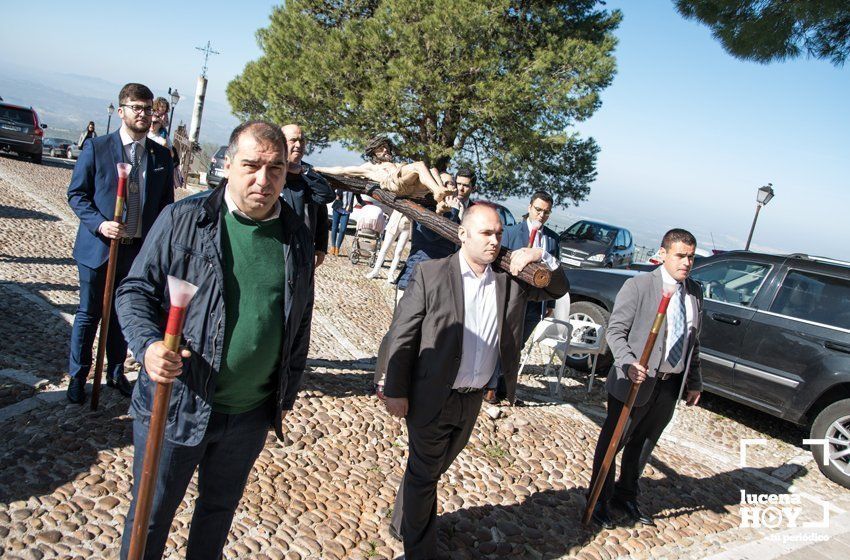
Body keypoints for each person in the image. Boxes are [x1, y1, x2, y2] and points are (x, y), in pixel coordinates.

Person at [115, 121, 314, 559]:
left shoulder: (296, 235)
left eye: (275, 168)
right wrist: (148, 346)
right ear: (226, 165)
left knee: (217, 515)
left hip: (249, 414)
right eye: (252, 166)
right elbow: (133, 292)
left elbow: (299, 319)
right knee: (150, 517)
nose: (264, 179)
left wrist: (285, 391)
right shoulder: (185, 219)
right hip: (177, 402)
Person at [379, 204, 569, 560]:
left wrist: (541, 254)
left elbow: (557, 289)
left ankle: (403, 522)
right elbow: (402, 335)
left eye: (498, 234)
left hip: (472, 399)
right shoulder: (430, 274)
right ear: (463, 234)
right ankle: (419, 551)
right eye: (486, 233)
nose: (494, 241)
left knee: (431, 469)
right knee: (424, 474)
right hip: (430, 393)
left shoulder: (511, 280)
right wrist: (394, 390)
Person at [66, 83, 174, 404]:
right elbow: (77, 194)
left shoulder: (161, 156)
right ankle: (78, 374)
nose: (143, 114)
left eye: (148, 108)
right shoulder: (98, 148)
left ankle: (115, 371)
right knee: (89, 313)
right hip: (98, 249)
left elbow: (164, 207)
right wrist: (101, 224)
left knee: (121, 313)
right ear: (122, 110)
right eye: (136, 107)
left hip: (137, 252)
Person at [587, 228, 703, 530]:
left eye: (691, 257)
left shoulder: (694, 292)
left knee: (644, 443)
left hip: (669, 384)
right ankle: (598, 498)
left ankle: (626, 496)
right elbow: (615, 332)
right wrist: (627, 363)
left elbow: (694, 341)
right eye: (680, 256)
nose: (687, 263)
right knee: (615, 442)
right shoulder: (638, 286)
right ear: (663, 253)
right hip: (634, 380)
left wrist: (694, 381)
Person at [315, 135, 456, 213]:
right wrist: (319, 169)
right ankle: (438, 192)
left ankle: (440, 204)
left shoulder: (397, 164)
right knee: (419, 165)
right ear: (373, 153)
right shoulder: (370, 167)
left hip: (412, 187)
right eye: (381, 149)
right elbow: (343, 170)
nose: (385, 151)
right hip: (394, 183)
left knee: (434, 171)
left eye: (386, 148)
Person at [281, 124, 335, 267]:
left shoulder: (308, 173)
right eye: (293, 140)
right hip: (276, 245)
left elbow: (325, 199)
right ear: (280, 141)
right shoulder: (269, 170)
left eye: (302, 140)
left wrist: (321, 246)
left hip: (301, 248)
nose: (299, 145)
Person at [329, 188, 362, 256]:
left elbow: (359, 199)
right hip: (337, 208)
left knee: (343, 229)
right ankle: (333, 246)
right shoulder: (341, 185)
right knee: (334, 227)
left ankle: (337, 247)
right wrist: (335, 196)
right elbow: (332, 189)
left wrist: (367, 206)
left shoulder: (354, 188)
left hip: (346, 211)